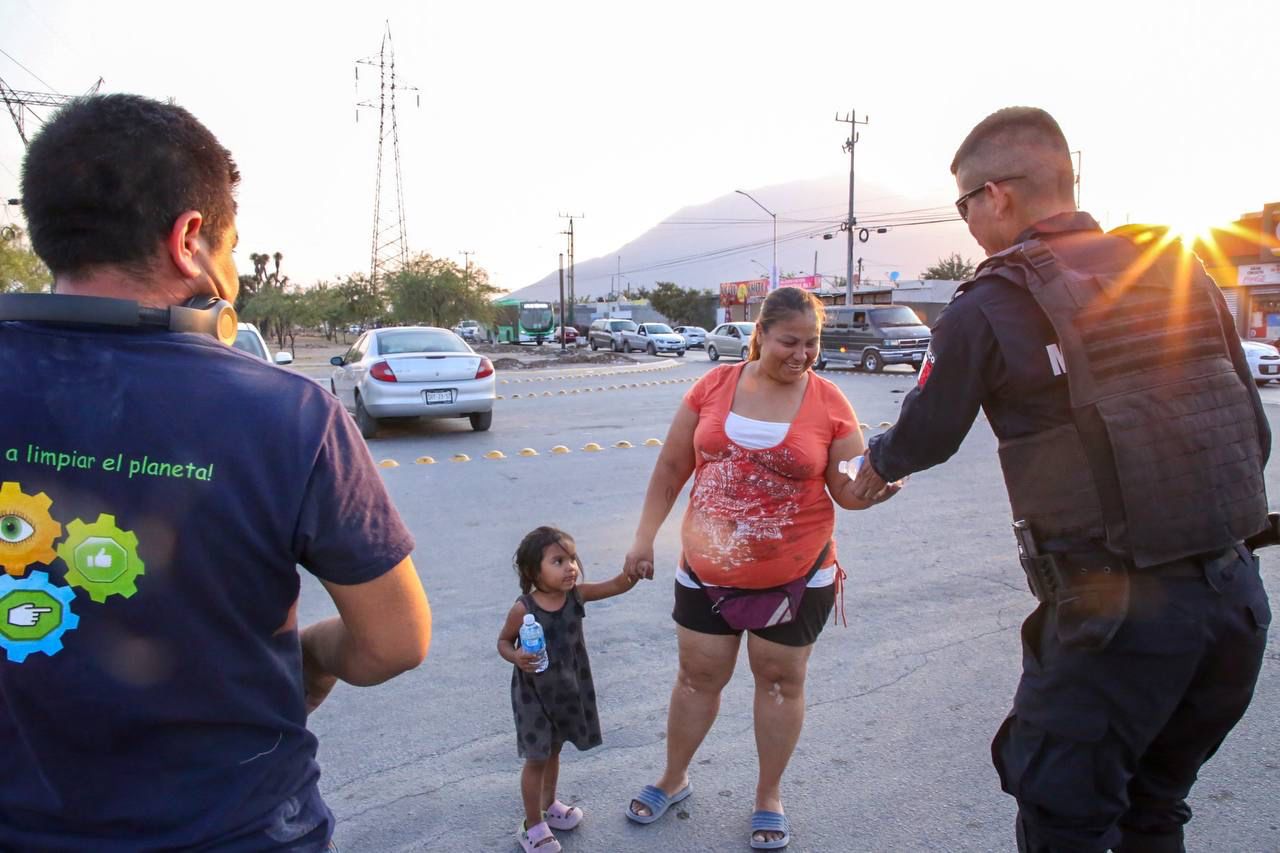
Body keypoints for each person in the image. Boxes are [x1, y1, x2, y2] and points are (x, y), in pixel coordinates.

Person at [0, 94, 432, 851]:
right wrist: (318, 658)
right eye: (232, 248)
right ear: (190, 239)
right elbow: (396, 638)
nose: (233, 272)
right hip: (239, 830)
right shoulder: (288, 415)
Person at [851, 106, 1273, 852]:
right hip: (1234, 604)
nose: (968, 221)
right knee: (1155, 805)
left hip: (1117, 618)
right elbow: (1253, 428)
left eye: (965, 204)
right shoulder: (1178, 271)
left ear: (998, 195)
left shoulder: (991, 301)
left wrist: (867, 470)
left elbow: (926, 433)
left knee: (1063, 817)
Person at [622, 286, 897, 850]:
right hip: (705, 570)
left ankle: (768, 795)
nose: (801, 355)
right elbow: (672, 467)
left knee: (778, 682)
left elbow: (846, 489)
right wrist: (643, 540)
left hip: (796, 575)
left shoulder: (829, 402)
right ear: (759, 336)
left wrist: (876, 489)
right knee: (697, 679)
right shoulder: (713, 387)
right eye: (789, 342)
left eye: (812, 343)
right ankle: (673, 778)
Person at [496, 525, 638, 853]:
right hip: (533, 695)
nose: (570, 566)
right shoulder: (524, 609)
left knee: (555, 750)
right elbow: (503, 641)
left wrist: (635, 568)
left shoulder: (576, 596)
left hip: (568, 689)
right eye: (558, 561)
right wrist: (516, 656)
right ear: (534, 571)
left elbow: (618, 584)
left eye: (572, 558)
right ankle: (532, 825)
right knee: (536, 758)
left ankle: (550, 806)